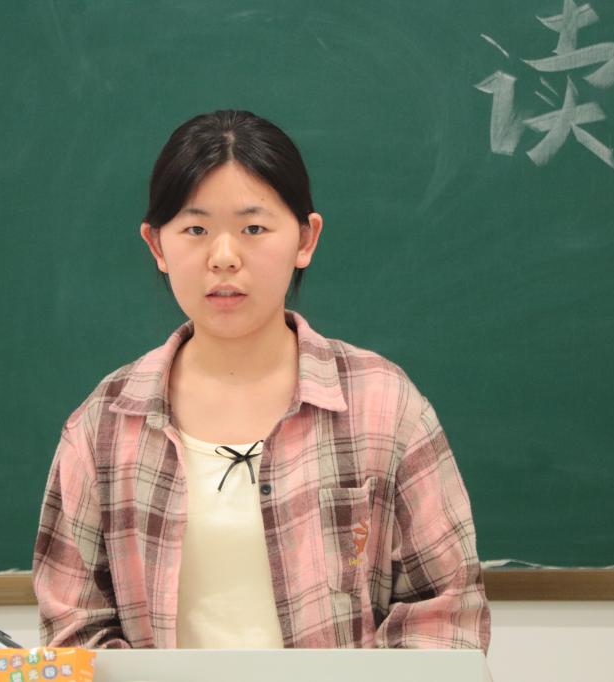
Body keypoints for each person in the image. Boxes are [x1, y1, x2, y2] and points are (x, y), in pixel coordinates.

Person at [32, 110, 490, 651]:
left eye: (253, 228)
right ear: (157, 246)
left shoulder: (384, 406)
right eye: (196, 229)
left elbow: (445, 620)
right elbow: (75, 631)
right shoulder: (104, 426)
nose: (224, 257)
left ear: (305, 238)